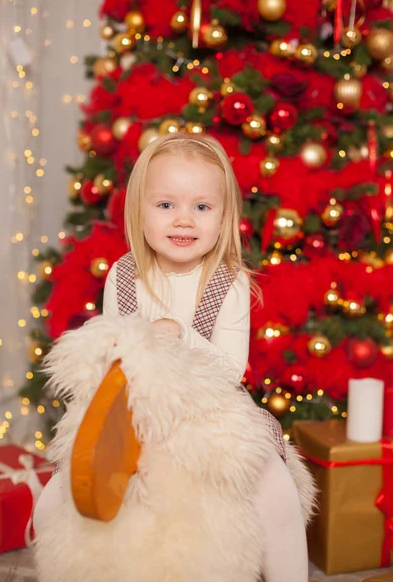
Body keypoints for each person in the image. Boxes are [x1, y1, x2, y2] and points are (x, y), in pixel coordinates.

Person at [34, 132, 310, 582]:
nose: (184, 220)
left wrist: (178, 334)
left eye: (201, 207)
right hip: (135, 410)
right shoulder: (124, 277)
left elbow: (230, 369)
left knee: (272, 486)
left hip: (212, 410)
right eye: (166, 206)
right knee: (59, 495)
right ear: (139, 211)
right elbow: (109, 357)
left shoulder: (228, 282)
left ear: (224, 217)